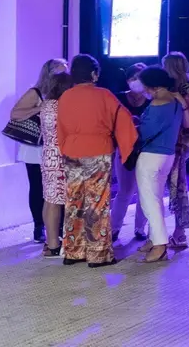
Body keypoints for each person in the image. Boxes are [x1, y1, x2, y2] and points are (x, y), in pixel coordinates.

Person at [57, 55, 138, 267]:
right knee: (97, 202)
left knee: (74, 201)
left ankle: (73, 252)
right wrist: (128, 149)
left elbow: (61, 129)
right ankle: (98, 254)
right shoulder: (104, 95)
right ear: (93, 74)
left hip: (72, 152)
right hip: (98, 151)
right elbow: (124, 120)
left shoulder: (66, 96)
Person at [9, 58, 68, 244]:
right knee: (38, 187)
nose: (64, 74)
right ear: (49, 72)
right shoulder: (36, 92)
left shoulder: (66, 93)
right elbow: (15, 114)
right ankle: (38, 227)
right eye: (60, 70)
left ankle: (59, 227)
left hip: (58, 147)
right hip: (36, 147)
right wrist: (39, 108)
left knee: (59, 187)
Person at [133, 67, 186, 264]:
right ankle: (154, 238)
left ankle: (160, 245)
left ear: (151, 86)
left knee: (149, 201)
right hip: (167, 155)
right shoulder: (176, 101)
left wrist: (134, 124)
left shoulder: (156, 103)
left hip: (150, 156)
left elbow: (146, 132)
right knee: (156, 199)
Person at [160, 52, 189, 250]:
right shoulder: (184, 85)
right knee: (176, 185)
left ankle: (179, 231)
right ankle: (176, 231)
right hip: (182, 141)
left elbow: (188, 119)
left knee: (177, 186)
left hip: (178, 143)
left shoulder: (181, 88)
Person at [111, 63, 149, 242]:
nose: (137, 82)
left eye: (140, 77)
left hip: (148, 150)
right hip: (125, 150)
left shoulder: (153, 100)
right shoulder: (118, 99)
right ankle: (114, 228)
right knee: (125, 191)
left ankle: (140, 228)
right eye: (133, 78)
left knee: (145, 191)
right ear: (127, 80)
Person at [38, 72, 74, 257]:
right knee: (58, 202)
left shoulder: (46, 104)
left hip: (48, 155)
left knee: (50, 199)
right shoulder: (62, 106)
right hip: (62, 155)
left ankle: (50, 241)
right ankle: (54, 244)